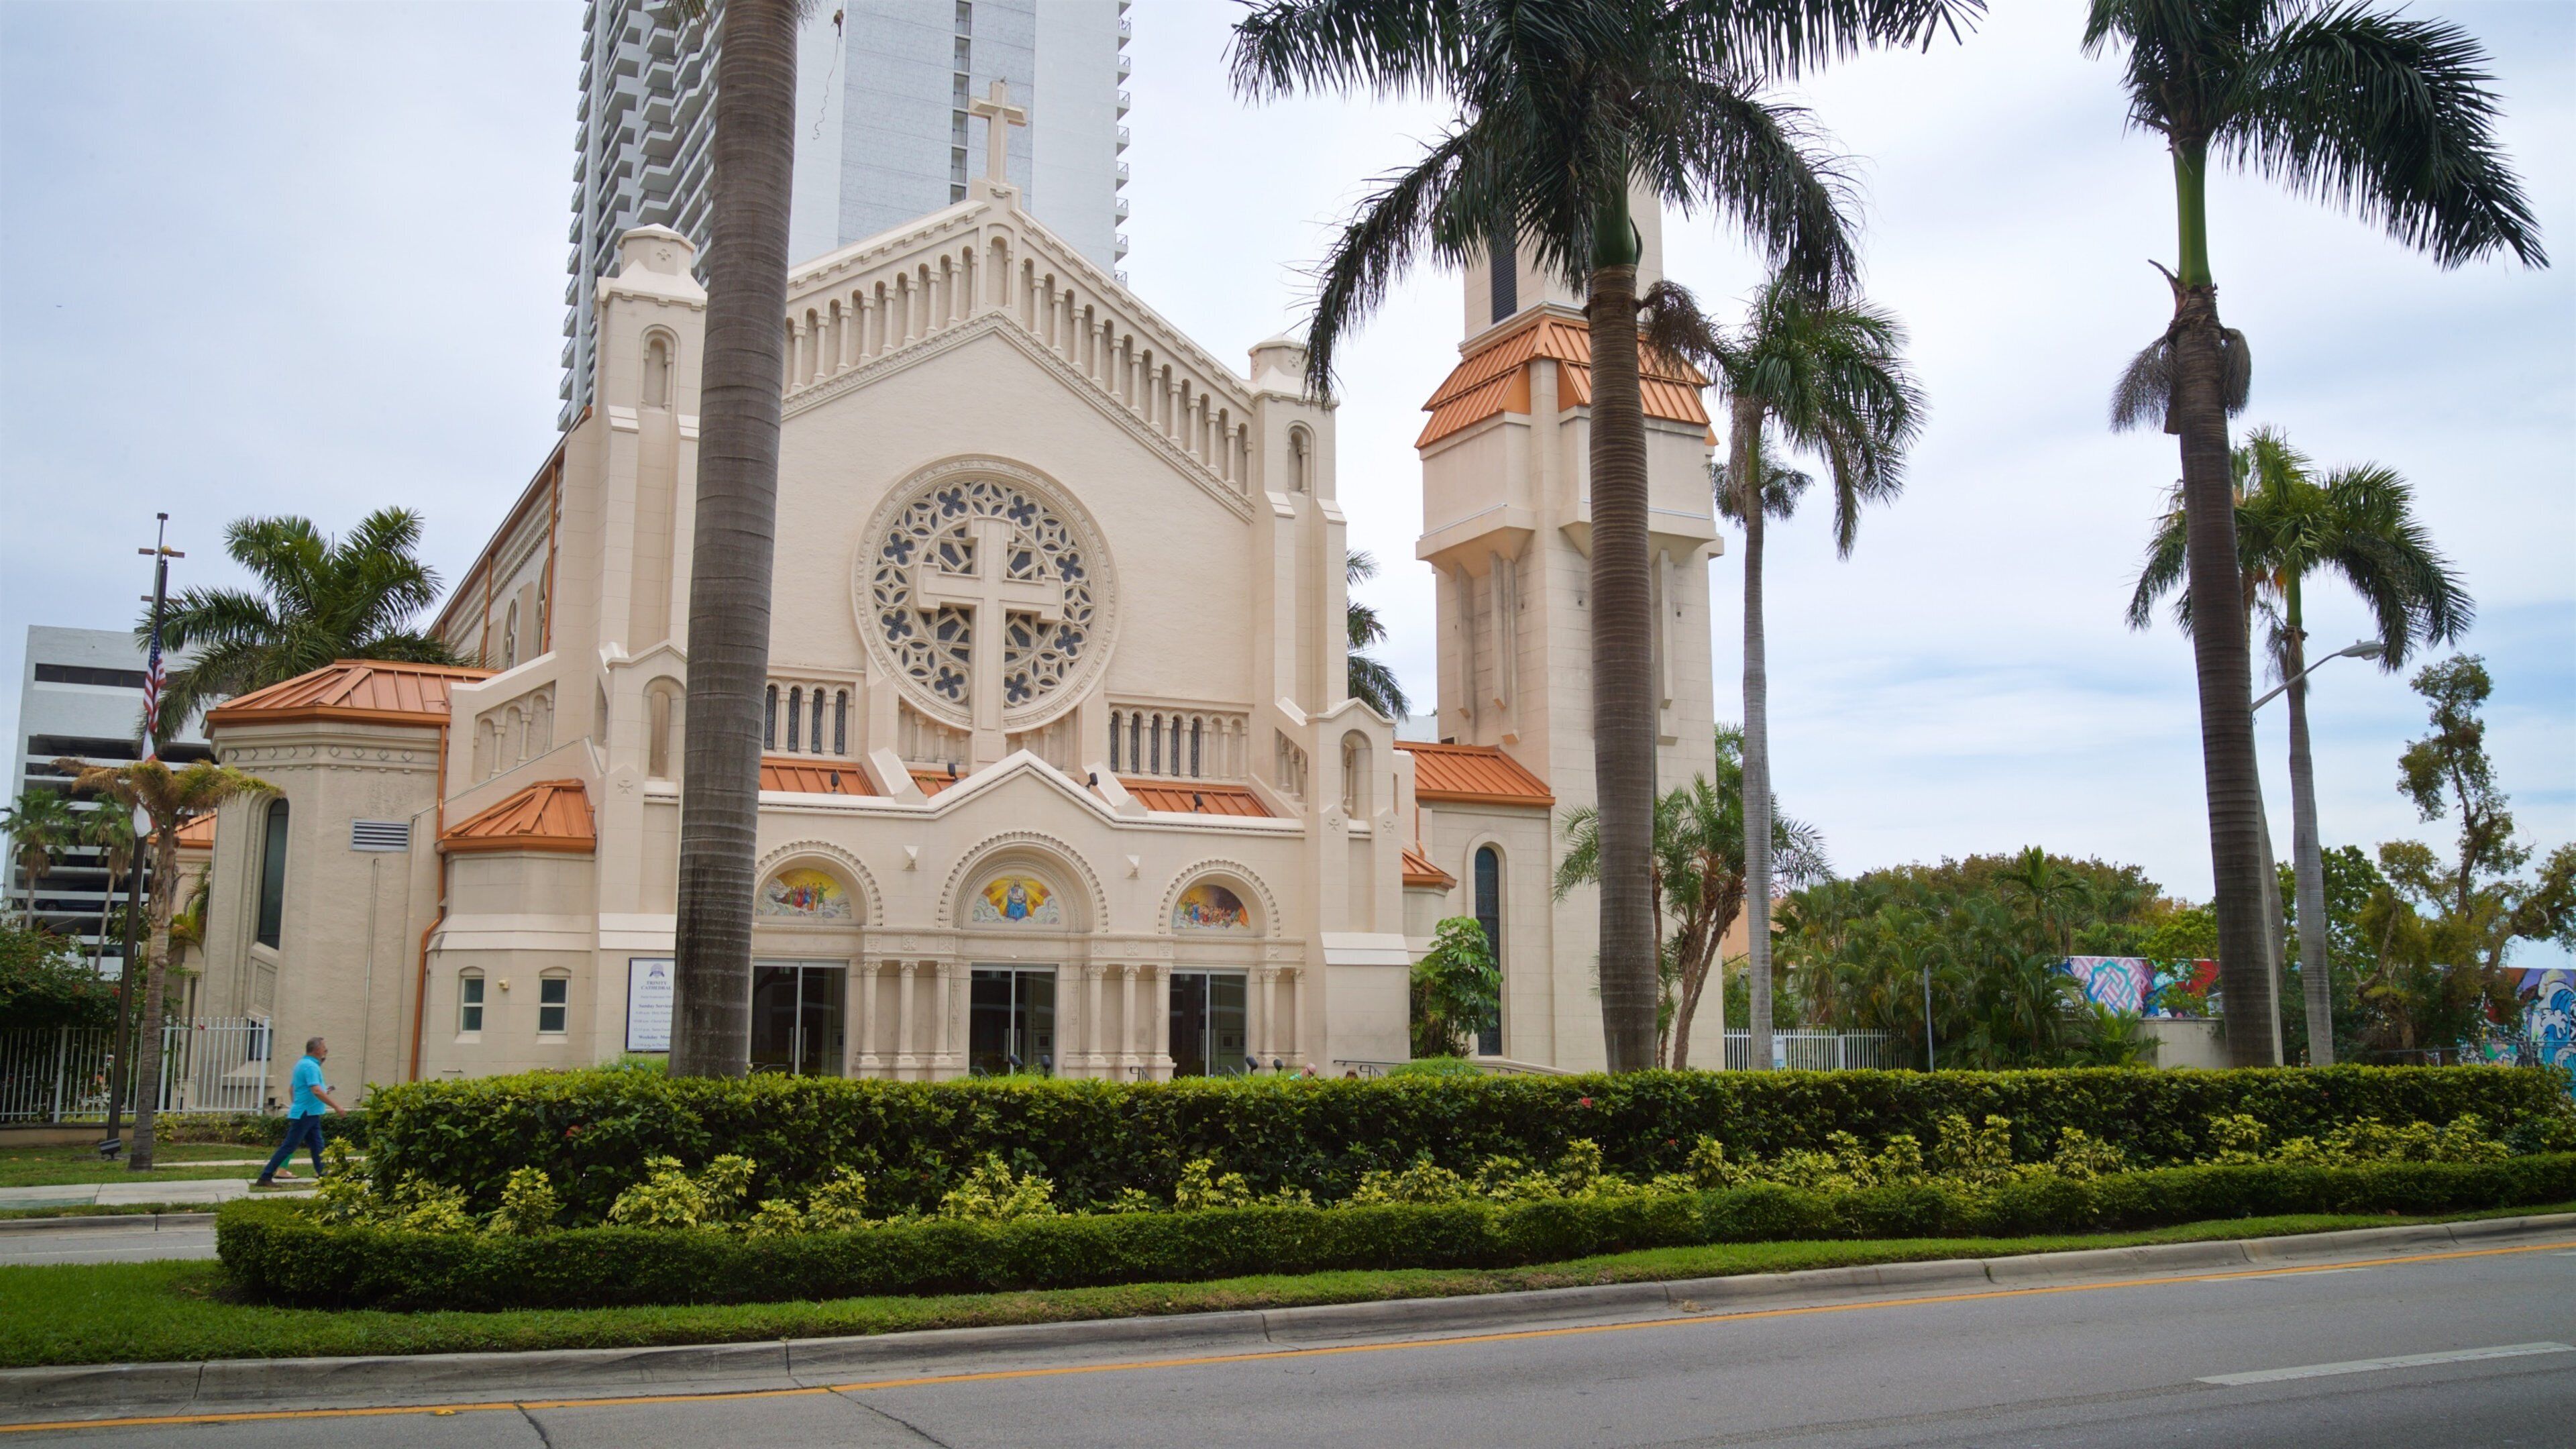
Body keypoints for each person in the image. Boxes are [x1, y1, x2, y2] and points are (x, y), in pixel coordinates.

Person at [256, 1036, 341, 1185]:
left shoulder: (303, 1064)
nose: (326, 1051)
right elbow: (316, 1091)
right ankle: (265, 1176)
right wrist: (337, 1107)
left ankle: (323, 1173)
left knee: (317, 1145)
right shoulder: (310, 1067)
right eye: (324, 1048)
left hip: (309, 1112)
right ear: (317, 1050)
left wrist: (297, 1104)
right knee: (290, 1146)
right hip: (306, 1113)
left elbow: (292, 1089)